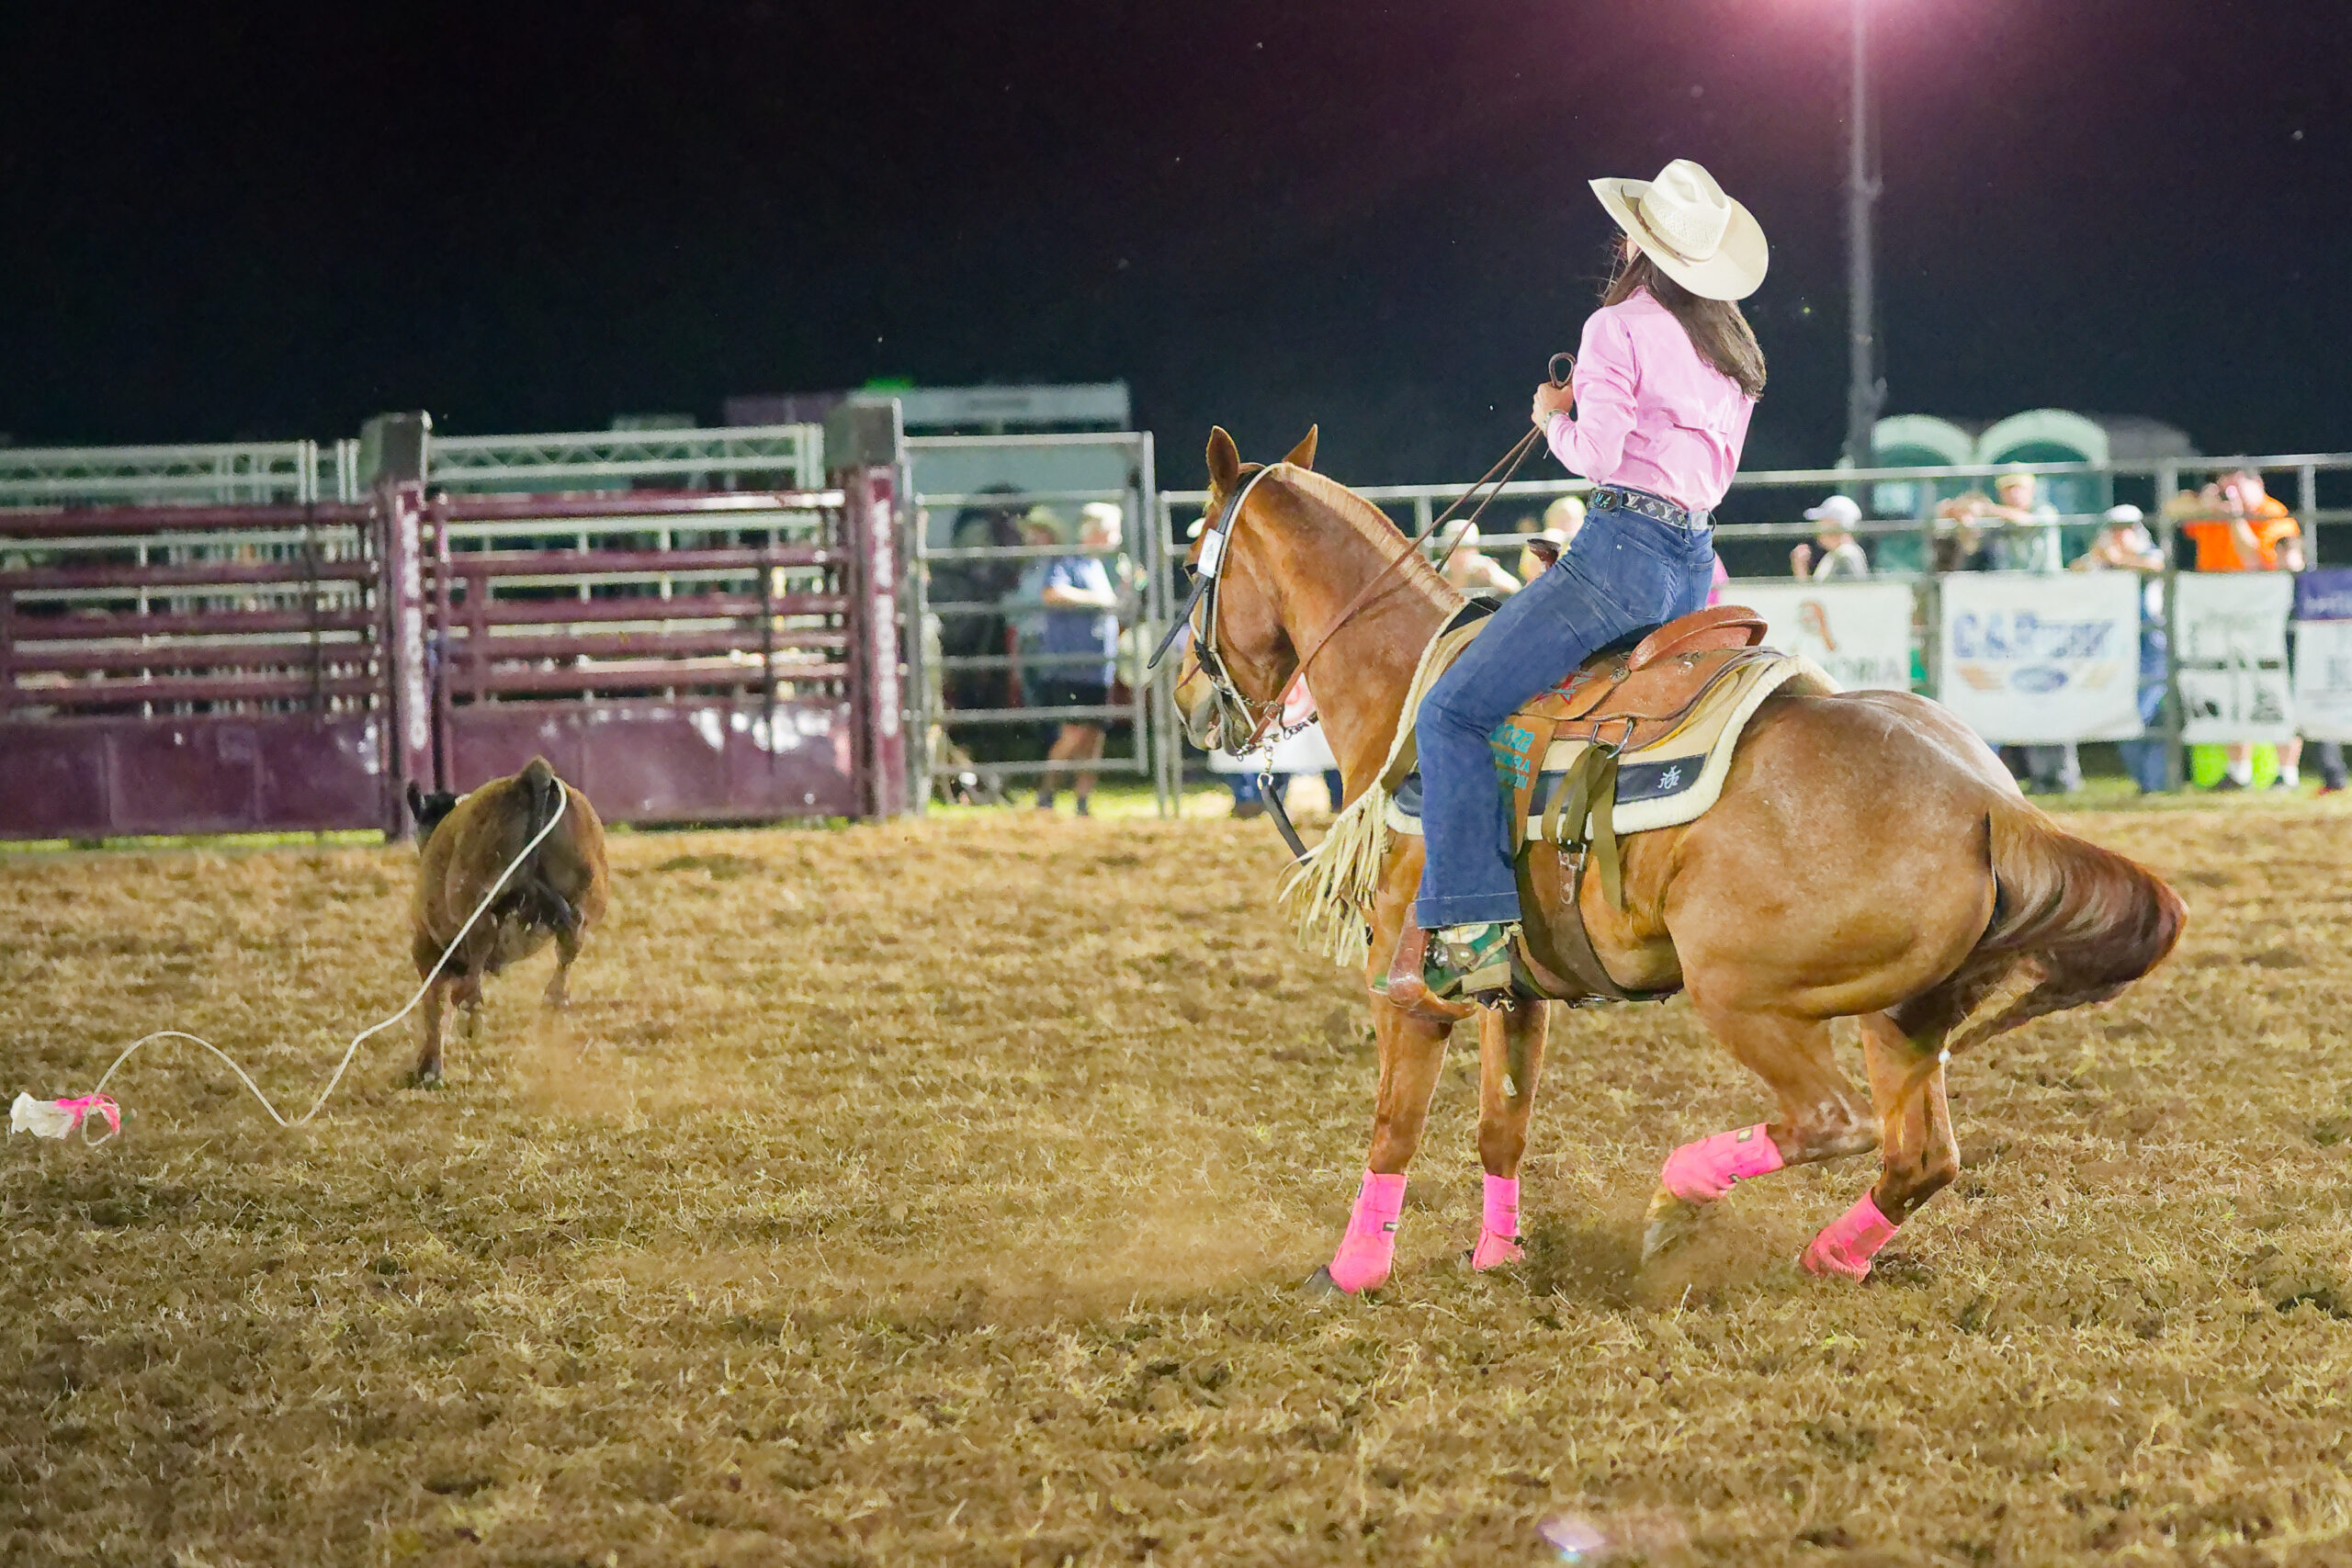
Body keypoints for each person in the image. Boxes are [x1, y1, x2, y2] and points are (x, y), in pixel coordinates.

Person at [1410, 157, 1766, 999]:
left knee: (1451, 710)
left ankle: (1468, 924)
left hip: (1621, 556)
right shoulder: (1732, 348)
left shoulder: (1618, 326)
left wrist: (1549, 418)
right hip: (1692, 571)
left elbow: (1599, 456)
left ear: (1634, 241)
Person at [2181, 470, 2306, 789]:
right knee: (2228, 686)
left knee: (2273, 685)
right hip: (2219, 612)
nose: (2229, 493)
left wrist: (2236, 517)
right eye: (2225, 487)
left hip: (2263, 615)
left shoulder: (2275, 516)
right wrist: (2203, 502)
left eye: (2236, 486)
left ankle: (2286, 773)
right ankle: (2238, 771)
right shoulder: (2213, 511)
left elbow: (2255, 559)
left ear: (2258, 485)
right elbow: (2172, 510)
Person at [1032, 502, 1125, 816]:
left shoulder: (1097, 567)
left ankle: (1082, 800)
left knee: (1093, 735)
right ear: (1096, 533)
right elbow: (1052, 593)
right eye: (1113, 530)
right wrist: (1100, 600)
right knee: (1075, 732)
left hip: (1098, 667)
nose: (1117, 537)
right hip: (1071, 665)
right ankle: (1046, 793)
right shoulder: (1070, 561)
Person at [2073, 503, 2170, 793]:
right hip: (2116, 648)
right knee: (2126, 716)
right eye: (2115, 530)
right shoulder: (2104, 559)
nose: (2121, 535)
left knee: (2144, 713)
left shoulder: (2150, 555)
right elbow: (2076, 570)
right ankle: (2148, 783)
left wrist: (2117, 558)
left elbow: (2157, 565)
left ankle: (2155, 782)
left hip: (2151, 646)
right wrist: (2097, 557)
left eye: (2127, 529)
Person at [1437, 521, 1524, 598]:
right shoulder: (1436, 571)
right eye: (1453, 548)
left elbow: (1517, 590)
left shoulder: (1483, 568)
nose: (1459, 555)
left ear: (1475, 550)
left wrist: (1492, 575)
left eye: (1465, 548)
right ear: (1443, 551)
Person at [1792, 493, 1870, 579]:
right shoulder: (1834, 555)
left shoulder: (1845, 555)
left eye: (1823, 521)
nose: (1818, 526)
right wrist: (1801, 569)